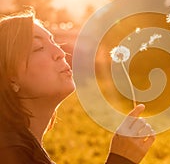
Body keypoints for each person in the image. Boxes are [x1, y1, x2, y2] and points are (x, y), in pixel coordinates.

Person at [0, 9, 155, 164]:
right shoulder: (9, 154)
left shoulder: (21, 148)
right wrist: (121, 159)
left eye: (54, 42)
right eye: (38, 47)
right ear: (11, 78)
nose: (60, 52)